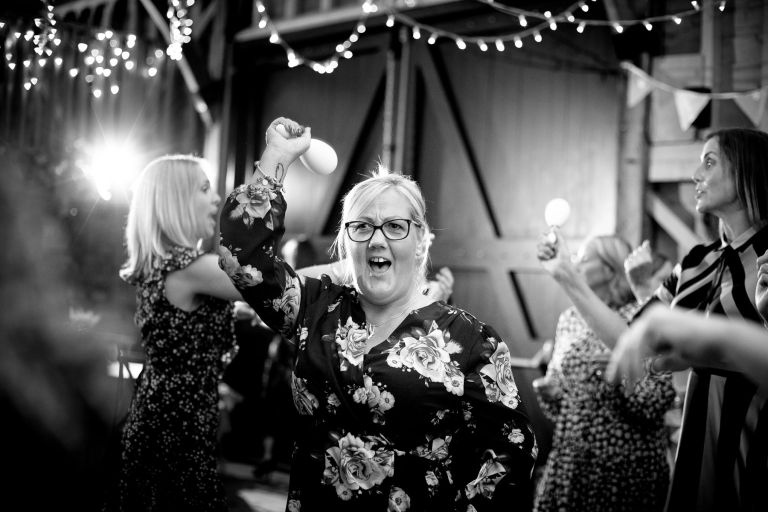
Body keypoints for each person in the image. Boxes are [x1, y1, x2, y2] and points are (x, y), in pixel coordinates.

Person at [218, 117, 537, 511]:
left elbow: (510, 461)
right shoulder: (315, 307)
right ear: (346, 241)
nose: (377, 239)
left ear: (421, 240)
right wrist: (278, 156)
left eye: (395, 226)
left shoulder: (473, 341)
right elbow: (241, 256)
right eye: (362, 227)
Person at [536, 127, 768, 511]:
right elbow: (633, 340)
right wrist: (567, 275)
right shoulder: (696, 264)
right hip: (699, 442)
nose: (696, 175)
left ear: (746, 172)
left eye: (709, 162)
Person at [108, 155, 243, 511]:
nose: (216, 199)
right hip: (173, 431)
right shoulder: (189, 268)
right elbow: (268, 285)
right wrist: (340, 271)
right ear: (175, 202)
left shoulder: (170, 267)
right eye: (204, 189)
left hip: (166, 422)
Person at [532, 235, 675, 512]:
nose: (574, 263)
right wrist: (551, 395)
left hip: (624, 470)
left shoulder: (642, 315)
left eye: (583, 259)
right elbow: (564, 405)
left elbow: (656, 401)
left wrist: (621, 376)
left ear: (609, 270)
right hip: (571, 464)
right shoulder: (570, 319)